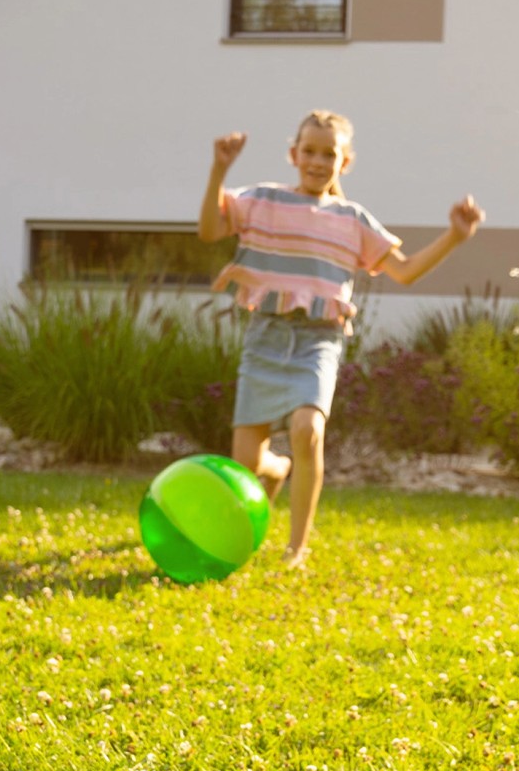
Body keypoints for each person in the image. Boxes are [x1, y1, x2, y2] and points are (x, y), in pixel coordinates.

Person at [197, 109, 483, 566]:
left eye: (328, 153)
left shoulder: (353, 219)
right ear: (293, 154)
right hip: (266, 337)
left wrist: (454, 235)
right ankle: (277, 470)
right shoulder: (263, 200)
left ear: (344, 162)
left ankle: (296, 548)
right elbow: (209, 229)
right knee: (247, 464)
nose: (317, 160)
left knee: (308, 430)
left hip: (318, 340)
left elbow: (405, 271)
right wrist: (219, 170)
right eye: (309, 151)